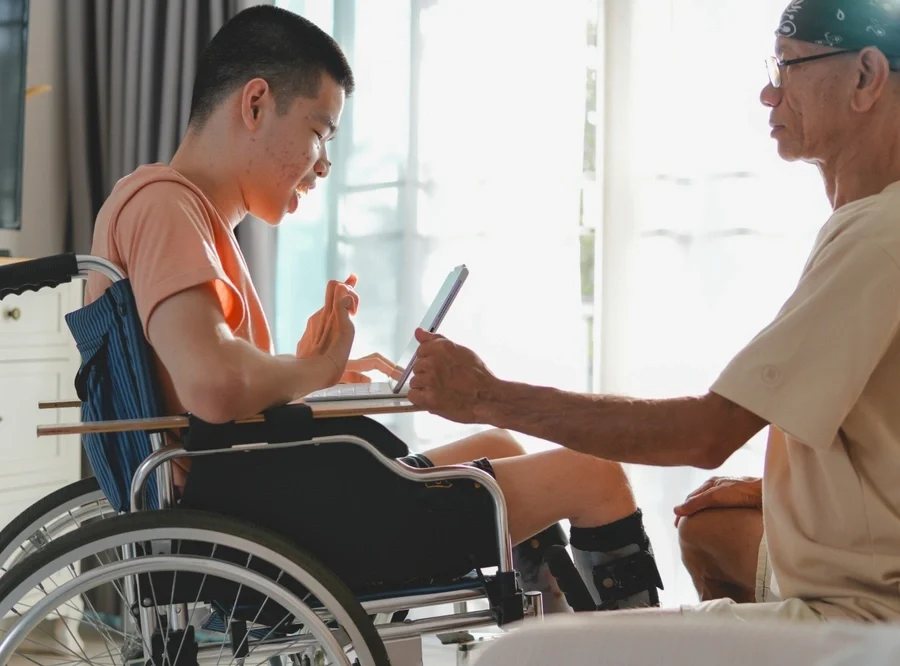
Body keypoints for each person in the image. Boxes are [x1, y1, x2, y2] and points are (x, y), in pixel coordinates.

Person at [83, 5, 664, 611]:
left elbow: (205, 394)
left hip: (272, 504)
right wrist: (319, 370)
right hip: (282, 529)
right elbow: (213, 385)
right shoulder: (163, 206)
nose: (325, 164)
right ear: (254, 105)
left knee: (504, 445)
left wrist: (301, 376)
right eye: (318, 133)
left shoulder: (183, 214)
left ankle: (557, 642)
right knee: (595, 475)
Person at [409, 0, 900, 623]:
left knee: (526, 652)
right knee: (709, 528)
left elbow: (705, 433)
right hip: (868, 565)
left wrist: (486, 395)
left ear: (865, 77)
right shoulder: (869, 224)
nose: (767, 94)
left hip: (863, 611)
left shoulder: (879, 238)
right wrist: (788, 492)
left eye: (787, 68)